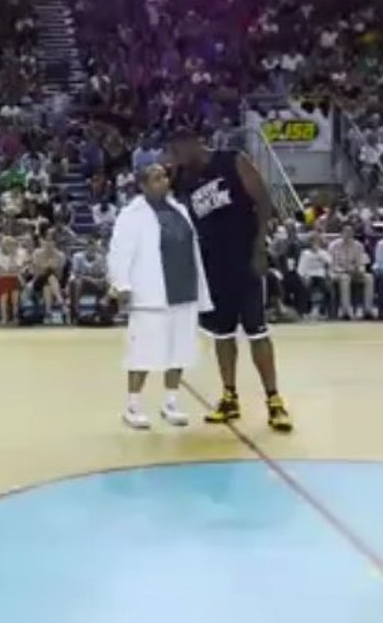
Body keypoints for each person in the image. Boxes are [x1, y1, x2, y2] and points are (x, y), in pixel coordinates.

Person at [169, 129, 293, 432]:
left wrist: (259, 247)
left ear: (194, 143)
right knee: (222, 335)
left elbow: (264, 202)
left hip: (245, 259)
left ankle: (274, 401)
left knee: (257, 332)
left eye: (178, 150)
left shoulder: (232, 161)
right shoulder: (184, 180)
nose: (176, 157)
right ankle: (229, 397)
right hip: (213, 265)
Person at [107, 164, 212, 430]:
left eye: (164, 177)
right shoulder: (132, 215)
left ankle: (171, 402)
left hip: (183, 289)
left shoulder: (180, 210)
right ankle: (133, 406)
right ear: (142, 185)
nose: (163, 182)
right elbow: (119, 252)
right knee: (142, 353)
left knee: (180, 351)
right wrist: (122, 285)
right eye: (156, 179)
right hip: (150, 292)